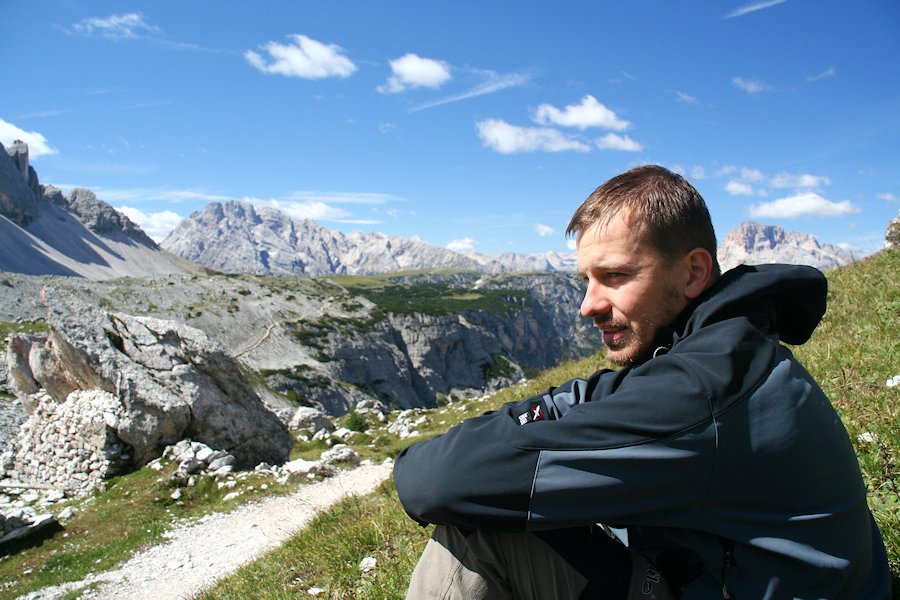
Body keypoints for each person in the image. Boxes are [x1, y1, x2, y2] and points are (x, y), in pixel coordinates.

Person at [393, 165, 891, 599]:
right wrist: (531, 418)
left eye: (615, 276)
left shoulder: (702, 392)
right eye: (586, 279)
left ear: (693, 272)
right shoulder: (720, 349)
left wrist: (460, 449)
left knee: (476, 532)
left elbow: (435, 482)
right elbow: (590, 396)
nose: (587, 305)